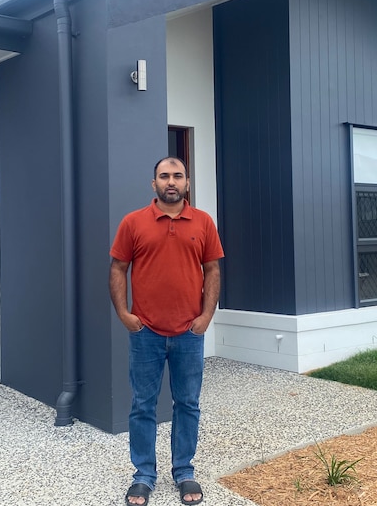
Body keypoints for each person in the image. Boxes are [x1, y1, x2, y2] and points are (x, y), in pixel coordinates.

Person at [110, 156, 224, 506]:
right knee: (142, 405)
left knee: (187, 404)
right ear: (154, 184)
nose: (170, 181)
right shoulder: (133, 223)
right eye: (164, 176)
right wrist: (124, 314)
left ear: (187, 183)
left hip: (189, 333)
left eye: (177, 176)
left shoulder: (203, 222)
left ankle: (184, 471)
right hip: (145, 332)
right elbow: (118, 269)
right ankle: (143, 475)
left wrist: (206, 317)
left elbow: (213, 271)